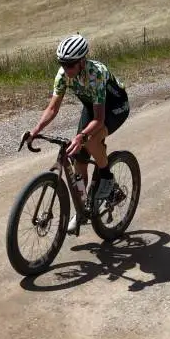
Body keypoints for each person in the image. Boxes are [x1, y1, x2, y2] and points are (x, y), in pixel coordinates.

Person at [28, 34, 130, 228]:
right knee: (79, 160)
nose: (66, 69)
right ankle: (82, 208)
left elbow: (99, 120)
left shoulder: (96, 74)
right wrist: (36, 129)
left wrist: (81, 136)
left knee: (90, 142)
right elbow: (52, 109)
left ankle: (107, 178)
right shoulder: (63, 75)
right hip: (93, 107)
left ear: (82, 61)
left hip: (115, 107)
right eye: (62, 64)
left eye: (70, 65)